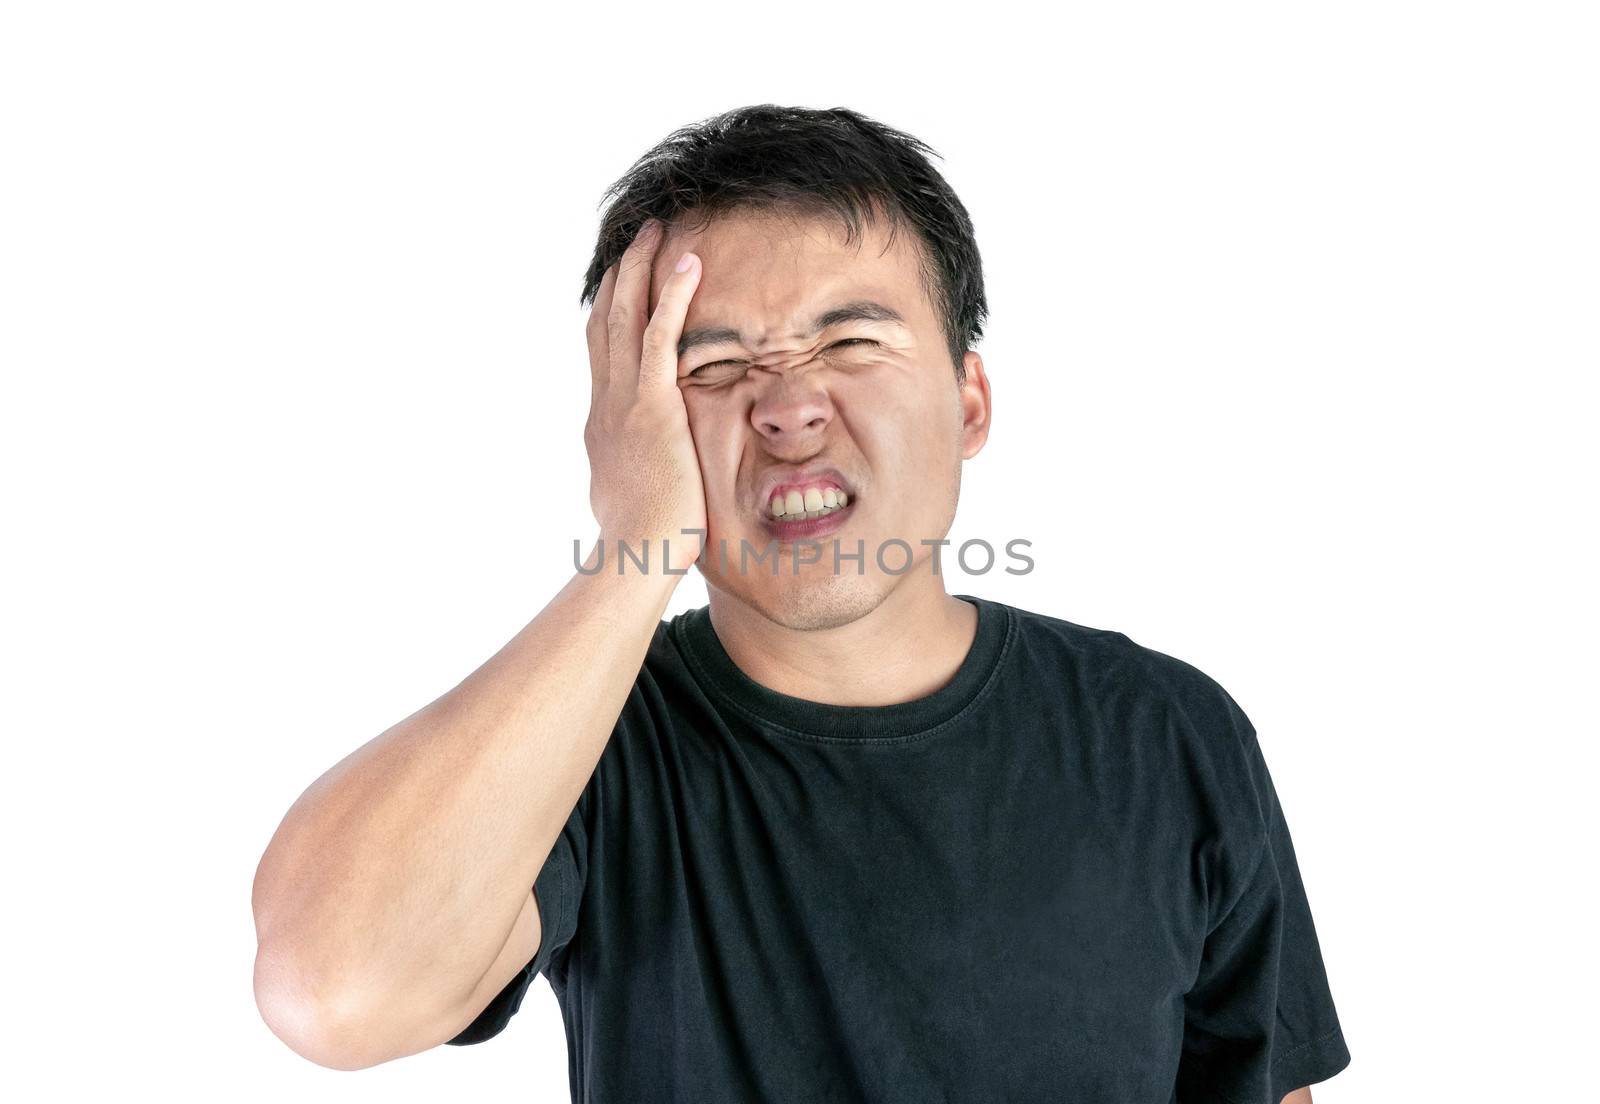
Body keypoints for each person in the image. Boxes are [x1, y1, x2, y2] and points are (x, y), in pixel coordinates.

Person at [252, 104, 1351, 1103]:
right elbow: (331, 993)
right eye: (713, 368)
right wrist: (637, 550)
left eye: (849, 343)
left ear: (968, 402)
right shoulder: (586, 749)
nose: (788, 410)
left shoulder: (1166, 732)